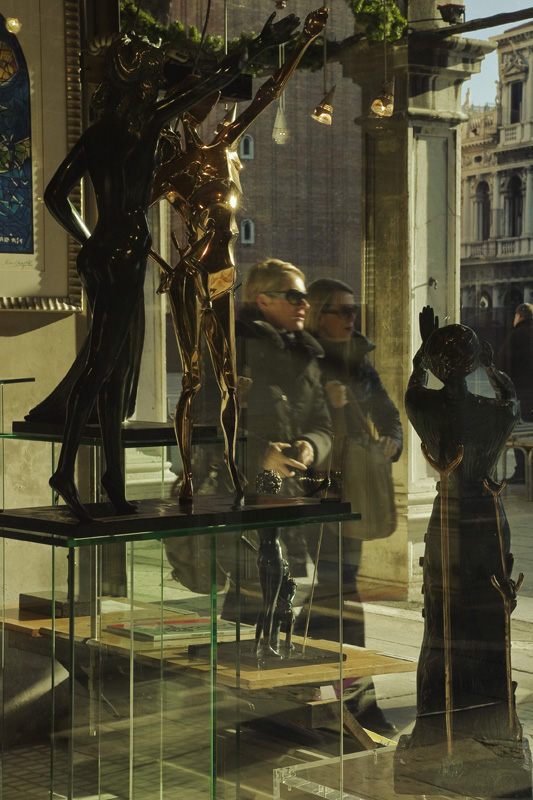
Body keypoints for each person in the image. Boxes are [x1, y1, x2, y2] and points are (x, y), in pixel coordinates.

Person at [41, 16, 299, 522]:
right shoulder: (148, 122)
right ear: (140, 83)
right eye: (153, 76)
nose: (159, 85)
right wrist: (263, 42)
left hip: (101, 252)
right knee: (102, 365)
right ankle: (65, 471)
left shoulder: (97, 134)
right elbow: (214, 79)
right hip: (125, 251)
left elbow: (54, 197)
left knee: (115, 366)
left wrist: (91, 239)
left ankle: (113, 481)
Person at [150, 8, 328, 503]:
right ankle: (192, 475)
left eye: (206, 99)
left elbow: (268, 93)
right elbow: (130, 208)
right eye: (195, 101)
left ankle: (237, 473)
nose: (206, 109)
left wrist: (302, 41)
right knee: (193, 379)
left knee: (227, 379)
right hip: (190, 273)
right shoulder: (174, 168)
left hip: (222, 272)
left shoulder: (220, 149)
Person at [398, 307, 525, 794]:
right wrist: (490, 365)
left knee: (444, 622)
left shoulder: (423, 408)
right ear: (476, 363)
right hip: (487, 521)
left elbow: (413, 388)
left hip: (448, 518)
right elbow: (512, 399)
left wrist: (424, 352)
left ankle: (440, 732)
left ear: (435, 363)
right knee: (486, 622)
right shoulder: (497, 413)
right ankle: (493, 730)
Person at [301, 277, 402, 735]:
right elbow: (292, 420)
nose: (350, 317)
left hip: (353, 489)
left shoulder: (358, 357)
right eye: (341, 310)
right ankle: (355, 702)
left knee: (335, 590)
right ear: (319, 314)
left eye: (353, 309)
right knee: (337, 591)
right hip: (314, 490)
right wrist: (327, 403)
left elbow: (386, 412)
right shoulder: (303, 356)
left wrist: (393, 441)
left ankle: (327, 690)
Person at [221, 258, 332, 657]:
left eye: (306, 296)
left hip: (291, 494)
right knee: (251, 595)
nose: (305, 304)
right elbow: (207, 422)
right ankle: (245, 676)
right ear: (263, 300)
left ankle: (273, 673)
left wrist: (310, 445)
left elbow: (323, 424)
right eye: (295, 296)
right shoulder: (234, 348)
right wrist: (261, 454)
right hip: (241, 493)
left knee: (281, 593)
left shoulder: (306, 354)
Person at [497, 302, 533, 483]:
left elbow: (502, 370)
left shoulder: (514, 337)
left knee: (518, 433)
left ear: (519, 316)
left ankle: (522, 472)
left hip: (521, 398)